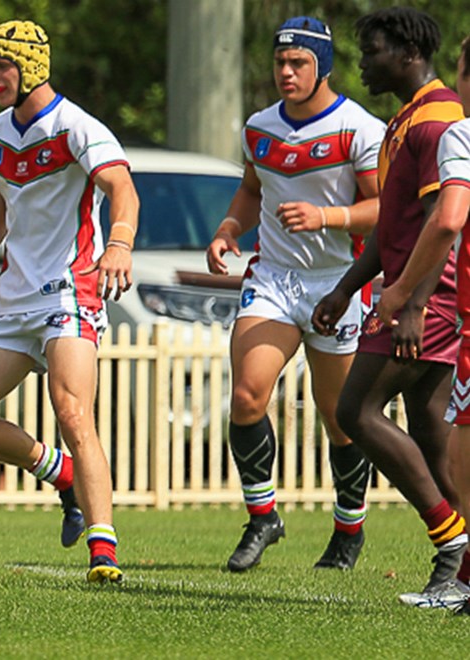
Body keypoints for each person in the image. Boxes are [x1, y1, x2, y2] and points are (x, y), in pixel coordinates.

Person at [0, 19, 139, 583]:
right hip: (13, 300)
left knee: (73, 412)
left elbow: (122, 188)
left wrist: (118, 244)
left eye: (3, 66)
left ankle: (104, 552)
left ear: (33, 68)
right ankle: (61, 475)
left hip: (69, 291)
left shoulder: (77, 126)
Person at [206, 17, 384, 573]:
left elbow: (384, 209)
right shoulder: (259, 127)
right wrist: (228, 230)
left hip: (339, 282)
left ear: (322, 67)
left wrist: (326, 215)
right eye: (281, 62)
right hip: (274, 280)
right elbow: (250, 189)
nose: (286, 72)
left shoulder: (359, 127)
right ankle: (263, 518)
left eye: (298, 63)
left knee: (341, 417)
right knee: (246, 397)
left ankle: (348, 531)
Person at [312, 7, 466, 608]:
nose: (363, 62)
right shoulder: (403, 120)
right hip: (414, 293)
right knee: (432, 432)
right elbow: (395, 224)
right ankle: (464, 563)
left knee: (356, 409)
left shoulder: (439, 121)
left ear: (408, 52)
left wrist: (414, 302)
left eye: (372, 51)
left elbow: (442, 219)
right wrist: (347, 287)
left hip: (429, 296)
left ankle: (451, 543)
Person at [375, 32, 470, 612]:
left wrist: (405, 292)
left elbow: (447, 218)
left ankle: (456, 562)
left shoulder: (457, 133)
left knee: (460, 458)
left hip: (454, 311)